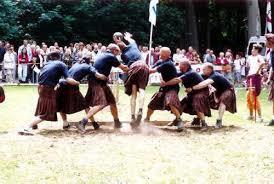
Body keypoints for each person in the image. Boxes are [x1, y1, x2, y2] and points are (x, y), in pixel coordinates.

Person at [18, 51, 79, 135]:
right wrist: (77, 82)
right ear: (59, 57)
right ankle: (27, 127)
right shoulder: (61, 64)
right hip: (49, 89)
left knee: (56, 104)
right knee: (47, 113)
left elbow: (44, 77)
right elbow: (68, 79)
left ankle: (65, 123)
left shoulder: (46, 64)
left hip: (40, 87)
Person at [76, 44, 129, 132]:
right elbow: (123, 68)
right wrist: (133, 67)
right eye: (118, 52)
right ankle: (82, 122)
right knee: (101, 104)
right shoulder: (111, 56)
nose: (117, 54)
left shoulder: (103, 54)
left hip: (100, 81)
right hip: (96, 81)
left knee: (112, 101)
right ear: (114, 50)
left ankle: (117, 122)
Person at [56, 54, 107, 130]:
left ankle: (65, 124)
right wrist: (105, 77)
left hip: (62, 83)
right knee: (85, 105)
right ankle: (92, 124)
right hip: (72, 86)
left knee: (61, 104)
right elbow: (98, 75)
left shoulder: (76, 64)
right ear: (89, 61)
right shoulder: (88, 66)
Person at [162, 58, 211, 128]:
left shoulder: (191, 72)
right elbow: (173, 75)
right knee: (181, 105)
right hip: (193, 93)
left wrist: (166, 83)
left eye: (180, 64)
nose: (178, 66)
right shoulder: (184, 72)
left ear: (184, 66)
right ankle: (177, 120)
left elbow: (177, 80)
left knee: (197, 102)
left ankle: (203, 123)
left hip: (201, 93)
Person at [114, 32, 149, 127]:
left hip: (133, 68)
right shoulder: (133, 45)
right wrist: (127, 37)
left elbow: (126, 67)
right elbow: (131, 40)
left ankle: (132, 116)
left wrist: (117, 41)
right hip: (144, 66)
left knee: (134, 93)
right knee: (142, 90)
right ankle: (141, 110)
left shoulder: (123, 55)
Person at [145, 47, 184, 131]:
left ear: (166, 54)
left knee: (171, 102)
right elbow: (151, 68)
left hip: (173, 87)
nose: (159, 53)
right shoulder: (160, 61)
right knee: (153, 102)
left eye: (161, 52)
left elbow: (151, 71)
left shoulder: (168, 63)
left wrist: (139, 68)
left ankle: (179, 120)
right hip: (164, 87)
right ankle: (146, 119)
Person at [186, 63, 236, 128]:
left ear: (209, 70)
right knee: (204, 101)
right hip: (218, 92)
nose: (202, 70)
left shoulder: (215, 75)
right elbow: (196, 79)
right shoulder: (204, 75)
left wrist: (192, 88)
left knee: (223, 101)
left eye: (204, 69)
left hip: (228, 90)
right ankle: (197, 118)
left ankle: (219, 121)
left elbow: (204, 84)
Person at [246, 44, 265, 122]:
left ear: (257, 50)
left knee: (254, 96)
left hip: (255, 77)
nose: (252, 50)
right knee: (248, 96)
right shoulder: (249, 57)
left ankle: (260, 116)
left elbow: (263, 63)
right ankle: (251, 115)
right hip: (250, 76)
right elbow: (248, 66)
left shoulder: (259, 57)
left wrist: (257, 71)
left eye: (253, 49)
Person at [265, 33, 274, 126]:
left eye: (265, 40)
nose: (265, 42)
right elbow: (272, 67)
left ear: (270, 42)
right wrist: (268, 78)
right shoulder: (271, 52)